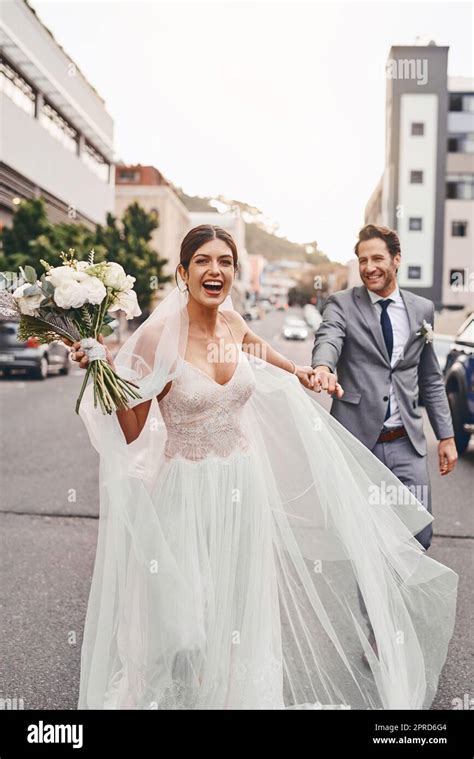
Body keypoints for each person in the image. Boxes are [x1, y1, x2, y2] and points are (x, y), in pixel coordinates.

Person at [71, 225, 458, 710]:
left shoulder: (233, 325)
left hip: (242, 486)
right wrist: (100, 369)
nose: (216, 271)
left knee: (237, 614)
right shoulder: (156, 337)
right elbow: (132, 431)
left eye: (226, 262)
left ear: (234, 271)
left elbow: (263, 352)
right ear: (183, 272)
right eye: (204, 262)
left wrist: (306, 372)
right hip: (187, 493)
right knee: (185, 625)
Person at [311, 223, 457, 552]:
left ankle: (396, 600)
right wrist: (323, 365)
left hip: (406, 441)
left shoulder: (422, 310)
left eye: (377, 258)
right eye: (362, 261)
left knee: (418, 533)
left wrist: (446, 435)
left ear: (397, 259)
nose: (369, 268)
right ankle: (372, 605)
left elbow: (430, 376)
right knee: (363, 538)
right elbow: (329, 337)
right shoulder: (342, 303)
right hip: (359, 440)